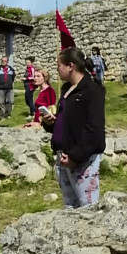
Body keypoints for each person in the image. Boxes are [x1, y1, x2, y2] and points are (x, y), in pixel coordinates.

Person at [40, 48, 105, 208]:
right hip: (64, 156)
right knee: (70, 207)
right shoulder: (67, 90)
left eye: (58, 66)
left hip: (82, 160)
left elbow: (94, 130)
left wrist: (75, 156)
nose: (57, 70)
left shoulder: (92, 90)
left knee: (87, 208)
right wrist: (50, 123)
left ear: (70, 66)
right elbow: (67, 123)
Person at [0, 56, 17, 120]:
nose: (3, 62)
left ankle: (7, 114)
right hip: (0, 88)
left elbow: (13, 77)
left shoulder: (11, 70)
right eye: (2, 61)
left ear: (7, 62)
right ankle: (2, 116)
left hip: (9, 88)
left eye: (5, 61)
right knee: (1, 102)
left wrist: (9, 83)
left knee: (10, 101)